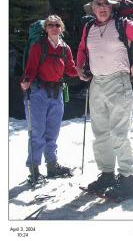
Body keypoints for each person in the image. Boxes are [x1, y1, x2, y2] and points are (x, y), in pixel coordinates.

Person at [76, 0, 133, 198]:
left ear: (111, 7)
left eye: (105, 4)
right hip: (96, 84)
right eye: (98, 4)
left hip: (118, 82)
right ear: (92, 9)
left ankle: (127, 177)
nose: (102, 7)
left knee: (118, 133)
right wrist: (78, 67)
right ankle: (107, 174)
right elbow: (83, 49)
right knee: (100, 133)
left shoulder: (123, 24)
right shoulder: (88, 27)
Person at [21, 15, 78, 183]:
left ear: (61, 28)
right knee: (37, 132)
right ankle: (34, 169)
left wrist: (84, 73)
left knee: (53, 131)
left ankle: (52, 165)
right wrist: (26, 81)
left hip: (57, 92)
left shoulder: (65, 48)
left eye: (57, 25)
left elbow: (70, 69)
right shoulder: (39, 46)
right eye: (50, 25)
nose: (54, 27)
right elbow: (31, 68)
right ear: (46, 28)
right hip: (38, 92)